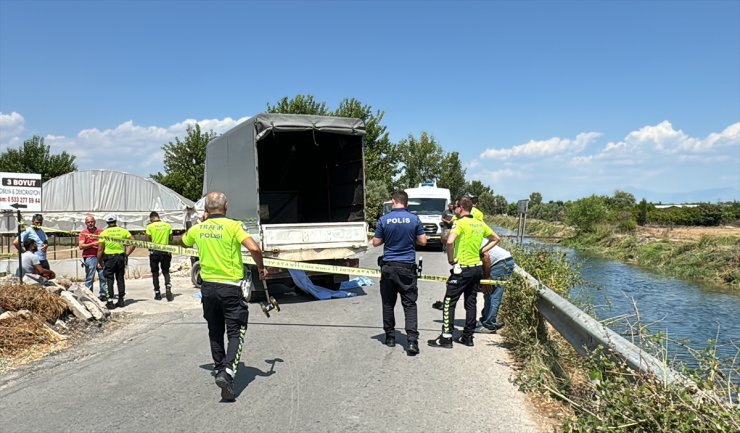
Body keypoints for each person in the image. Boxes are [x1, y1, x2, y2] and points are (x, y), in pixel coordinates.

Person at [182, 192, 268, 402]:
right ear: (226, 206)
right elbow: (254, 247)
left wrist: (201, 223)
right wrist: (260, 267)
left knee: (214, 330)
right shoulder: (233, 226)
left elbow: (184, 242)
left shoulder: (198, 228)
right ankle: (228, 371)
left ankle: (220, 368)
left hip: (208, 288)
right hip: (230, 288)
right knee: (235, 332)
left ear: (207, 210)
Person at [428, 196, 497, 349]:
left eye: (456, 207)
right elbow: (495, 238)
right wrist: (481, 250)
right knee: (470, 303)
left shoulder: (459, 223)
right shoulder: (479, 224)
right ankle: (468, 337)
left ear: (460, 208)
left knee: (448, 302)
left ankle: (446, 338)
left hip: (461, 269)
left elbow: (450, 241)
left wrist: (451, 259)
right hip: (476, 269)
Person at [372, 190, 427, 356]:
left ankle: (389, 337)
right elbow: (423, 241)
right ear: (406, 203)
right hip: (407, 267)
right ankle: (412, 342)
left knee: (388, 303)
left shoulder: (384, 219)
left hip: (389, 266)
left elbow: (375, 242)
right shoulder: (414, 219)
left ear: (392, 201)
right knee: (409, 304)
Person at [96, 214, 135, 309]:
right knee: (120, 278)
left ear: (107, 222)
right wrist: (127, 254)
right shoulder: (123, 231)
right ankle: (121, 300)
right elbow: (133, 242)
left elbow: (100, 249)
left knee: (109, 279)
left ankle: (110, 301)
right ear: (116, 221)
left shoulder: (104, 233)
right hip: (120, 257)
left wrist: (99, 261)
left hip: (109, 259)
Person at [476, 243, 514, 334]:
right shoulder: (472, 236)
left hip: (501, 263)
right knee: (488, 293)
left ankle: (489, 325)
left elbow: (485, 257)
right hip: (501, 262)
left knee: (493, 295)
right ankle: (485, 320)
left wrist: (487, 279)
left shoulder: (468, 240)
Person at [145, 211, 173, 301]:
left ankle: (157, 293)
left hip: (155, 252)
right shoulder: (167, 225)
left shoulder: (150, 226)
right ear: (158, 217)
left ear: (151, 218)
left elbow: (147, 240)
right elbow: (171, 238)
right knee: (166, 271)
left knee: (155, 273)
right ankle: (168, 288)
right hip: (166, 251)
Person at [78, 215, 107, 301]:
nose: (90, 223)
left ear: (94, 222)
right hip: (90, 257)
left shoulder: (101, 231)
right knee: (90, 277)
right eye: (88, 222)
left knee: (103, 276)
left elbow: (105, 243)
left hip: (101, 256)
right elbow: (81, 246)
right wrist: (93, 244)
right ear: (86, 223)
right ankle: (89, 295)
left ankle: (103, 294)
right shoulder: (83, 232)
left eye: (92, 222)